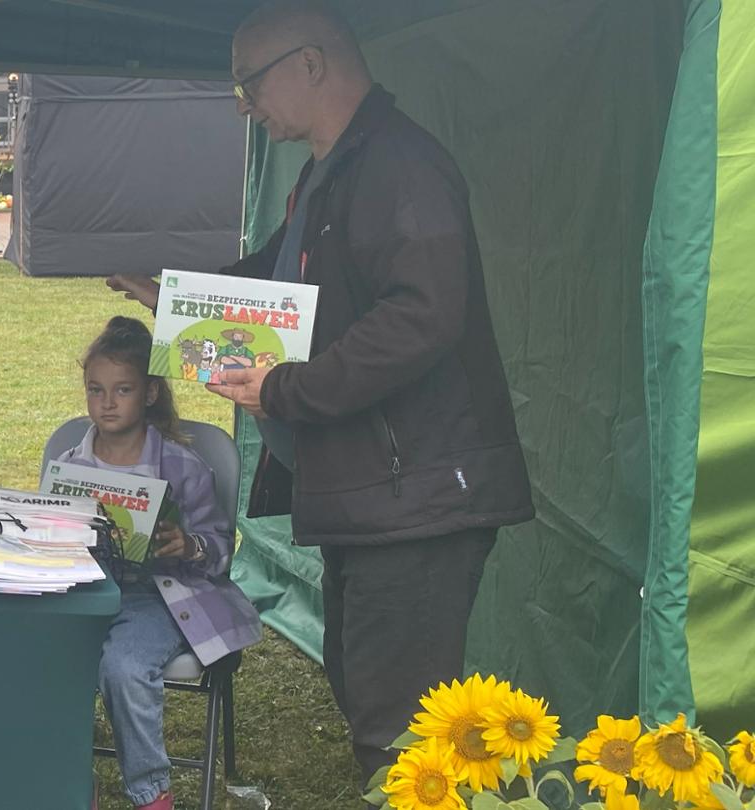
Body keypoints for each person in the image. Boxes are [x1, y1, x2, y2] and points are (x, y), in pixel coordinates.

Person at [107, 0, 533, 780]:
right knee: (365, 684)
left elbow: (424, 314)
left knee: (401, 727)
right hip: (373, 493)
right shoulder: (328, 171)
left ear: (310, 63)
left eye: (250, 82)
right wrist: (171, 300)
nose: (244, 104)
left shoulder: (401, 166)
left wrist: (288, 388)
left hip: (419, 497)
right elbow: (273, 286)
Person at [58, 317, 260, 810]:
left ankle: (152, 795)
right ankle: (66, 781)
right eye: (96, 390)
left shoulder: (182, 465)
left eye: (122, 390)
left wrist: (188, 545)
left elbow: (219, 548)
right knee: (39, 654)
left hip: (162, 596)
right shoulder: (72, 462)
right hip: (86, 592)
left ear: (149, 393)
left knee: (125, 666)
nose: (107, 402)